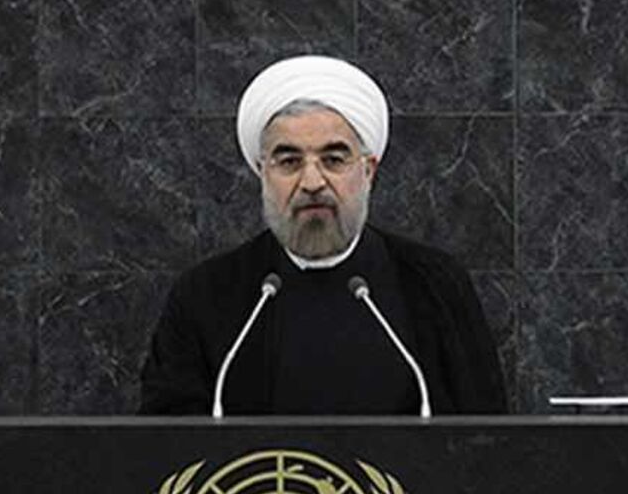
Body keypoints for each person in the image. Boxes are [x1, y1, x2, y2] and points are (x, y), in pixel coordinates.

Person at [140, 56, 506, 416]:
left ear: (368, 170)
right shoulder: (206, 295)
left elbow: (487, 443)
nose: (312, 182)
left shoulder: (434, 285)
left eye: (333, 159)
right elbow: (164, 451)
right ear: (261, 172)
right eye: (289, 162)